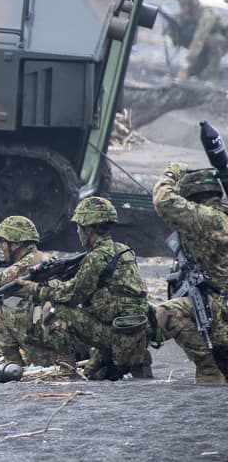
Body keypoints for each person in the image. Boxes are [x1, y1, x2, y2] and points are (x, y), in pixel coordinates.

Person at [14, 196, 153, 380]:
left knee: (58, 310)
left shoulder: (96, 257)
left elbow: (73, 296)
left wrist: (39, 290)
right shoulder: (123, 250)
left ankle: (66, 368)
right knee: (94, 374)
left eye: (79, 227)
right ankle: (128, 362)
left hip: (115, 333)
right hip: (137, 329)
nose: (78, 231)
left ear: (89, 229)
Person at [152, 161, 228, 384]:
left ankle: (209, 371)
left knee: (166, 312)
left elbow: (163, 200)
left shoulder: (207, 218)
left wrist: (172, 172)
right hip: (221, 305)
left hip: (220, 310)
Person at [0, 216, 80, 367]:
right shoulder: (48, 257)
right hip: (70, 332)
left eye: (2, 242)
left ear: (16, 244)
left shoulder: (19, 267)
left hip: (49, 332)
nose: (0, 248)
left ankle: (13, 364)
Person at [172, 0, 228, 80]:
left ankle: (211, 77)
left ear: (192, 3)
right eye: (181, 4)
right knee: (193, 74)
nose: (183, 7)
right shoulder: (185, 17)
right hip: (201, 51)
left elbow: (199, 39)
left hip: (215, 46)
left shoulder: (206, 16)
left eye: (184, 4)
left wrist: (186, 63)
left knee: (215, 40)